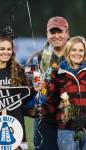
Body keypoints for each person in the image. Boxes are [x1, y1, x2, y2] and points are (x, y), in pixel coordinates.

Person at [27, 16, 69, 150]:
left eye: (60, 31)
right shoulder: (35, 59)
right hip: (44, 122)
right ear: (47, 34)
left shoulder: (76, 56)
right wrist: (36, 89)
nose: (56, 35)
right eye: (52, 32)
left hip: (71, 122)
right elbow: (29, 90)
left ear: (67, 34)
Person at [46, 36, 86, 150]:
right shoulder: (57, 73)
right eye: (74, 50)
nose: (77, 53)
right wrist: (40, 109)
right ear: (68, 51)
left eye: (81, 50)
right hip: (66, 129)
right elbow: (51, 101)